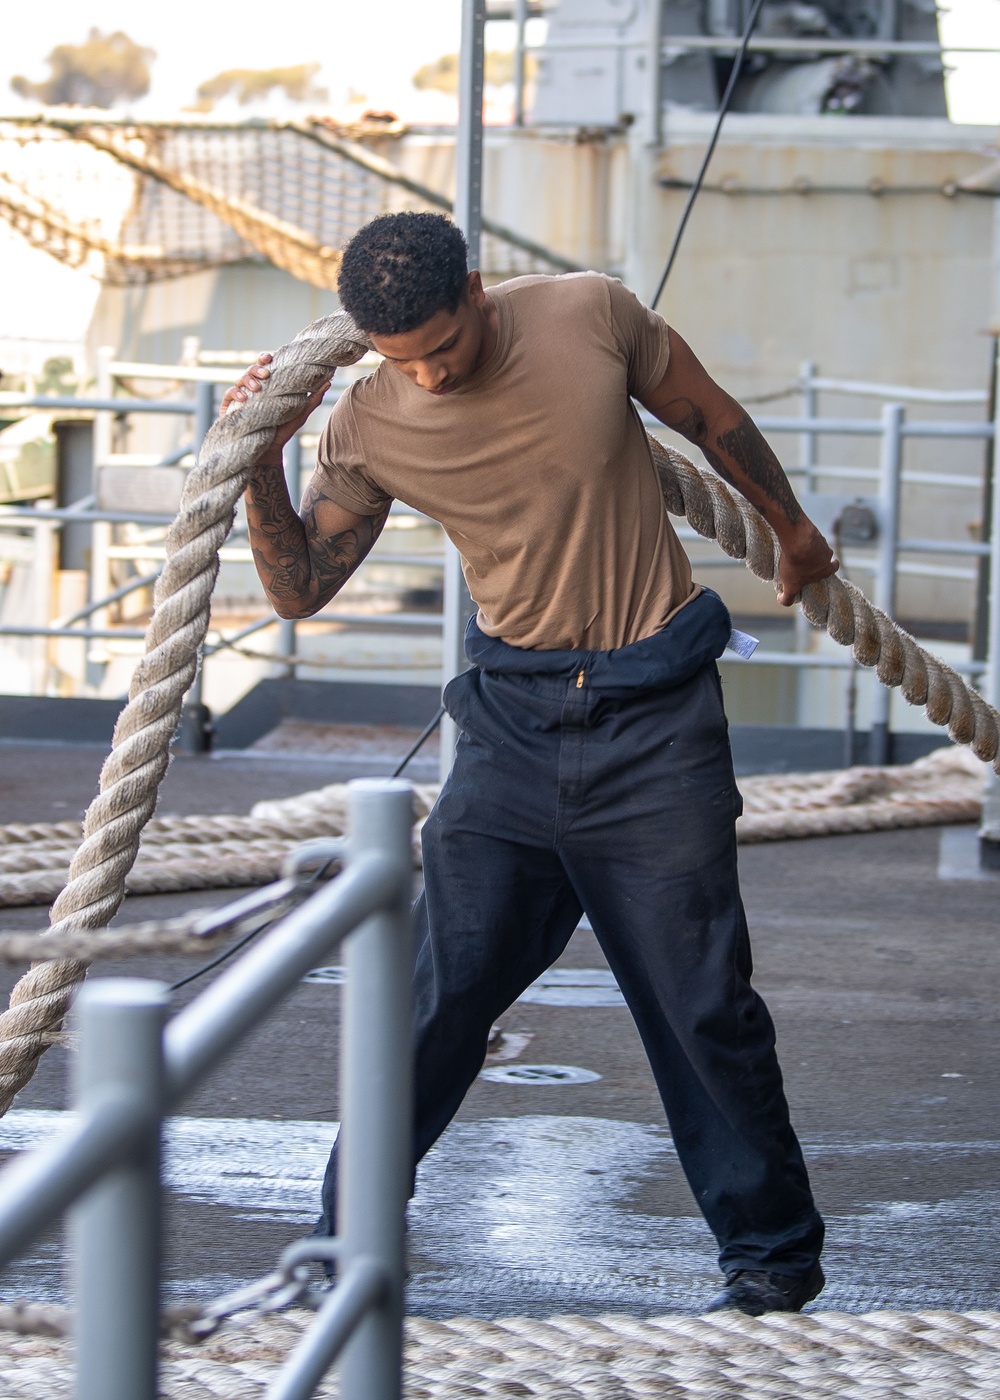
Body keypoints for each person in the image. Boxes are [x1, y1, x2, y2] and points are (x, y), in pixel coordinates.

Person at [223, 211, 838, 1316]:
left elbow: (708, 414)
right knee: (433, 999)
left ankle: (771, 1256)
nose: (432, 373)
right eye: (403, 359)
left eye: (442, 345)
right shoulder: (368, 421)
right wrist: (262, 461)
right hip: (507, 732)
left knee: (702, 1005)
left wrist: (789, 528)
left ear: (476, 291)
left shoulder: (588, 314)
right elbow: (299, 587)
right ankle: (340, 1244)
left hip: (654, 725)